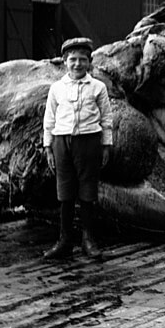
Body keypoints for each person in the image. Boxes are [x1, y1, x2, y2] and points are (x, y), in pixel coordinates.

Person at [41, 37, 113, 260]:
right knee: (65, 192)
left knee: (87, 191)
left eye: (83, 60)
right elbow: (49, 119)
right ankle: (64, 241)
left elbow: (107, 118)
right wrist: (48, 147)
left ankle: (88, 240)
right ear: (64, 61)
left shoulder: (98, 87)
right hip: (62, 142)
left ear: (90, 62)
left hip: (89, 142)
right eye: (72, 60)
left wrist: (106, 145)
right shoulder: (57, 88)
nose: (77, 64)